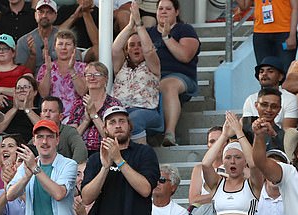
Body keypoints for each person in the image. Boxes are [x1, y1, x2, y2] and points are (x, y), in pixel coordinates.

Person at [146, 0, 200, 147]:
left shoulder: (185, 29)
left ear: (176, 12)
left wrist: (166, 37)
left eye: (168, 9)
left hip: (181, 77)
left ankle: (169, 134)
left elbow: (185, 55)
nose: (163, 11)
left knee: (167, 85)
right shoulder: (149, 32)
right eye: (160, 8)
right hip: (152, 77)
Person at [112, 2, 162, 144]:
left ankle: (141, 159)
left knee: (132, 119)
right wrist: (130, 26)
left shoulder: (152, 65)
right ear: (127, 50)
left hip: (147, 111)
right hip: (121, 110)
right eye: (132, 45)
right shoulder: (121, 66)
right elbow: (115, 49)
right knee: (116, 119)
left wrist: (139, 24)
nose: (136, 48)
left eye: (139, 44)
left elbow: (149, 50)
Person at [68, 62, 122, 155]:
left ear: (106, 79)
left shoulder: (113, 104)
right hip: (80, 152)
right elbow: (70, 139)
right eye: (89, 75)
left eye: (97, 74)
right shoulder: (78, 104)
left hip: (105, 152)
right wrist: (86, 121)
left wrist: (94, 115)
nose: (92, 78)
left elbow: (111, 137)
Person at [36, 29, 87, 123]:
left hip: (76, 117)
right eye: (60, 44)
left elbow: (82, 91)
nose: (63, 47)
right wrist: (48, 71)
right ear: (55, 47)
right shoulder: (45, 67)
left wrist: (72, 70)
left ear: (74, 48)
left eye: (68, 44)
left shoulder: (83, 67)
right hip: (52, 117)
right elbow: (43, 94)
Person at [236, 0, 298, 74]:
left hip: (284, 34)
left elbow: (295, 8)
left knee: (286, 72)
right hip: (261, 35)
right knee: (265, 72)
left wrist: (292, 35)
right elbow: (244, 6)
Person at [242, 56, 298, 131]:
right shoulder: (250, 99)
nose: (264, 74)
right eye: (261, 72)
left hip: (279, 140)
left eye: (270, 71)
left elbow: (288, 132)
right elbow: (247, 129)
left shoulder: (290, 99)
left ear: (280, 77)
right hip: (254, 138)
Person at [34, 96, 87, 164]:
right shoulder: (37, 133)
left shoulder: (69, 132)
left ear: (61, 116)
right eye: (45, 111)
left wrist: (72, 169)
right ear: (41, 115)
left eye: (51, 111)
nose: (47, 115)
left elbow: (81, 151)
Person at [14, 0, 59, 75]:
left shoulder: (64, 39)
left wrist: (50, 60)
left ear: (55, 16)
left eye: (49, 12)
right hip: (32, 83)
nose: (44, 15)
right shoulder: (23, 41)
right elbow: (23, 74)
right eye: (41, 12)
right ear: (35, 15)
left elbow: (73, 65)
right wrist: (32, 56)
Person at [188, 126, 222, 207]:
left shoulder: (236, 167)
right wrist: (224, 194)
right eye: (212, 141)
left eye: (220, 140)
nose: (216, 145)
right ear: (208, 145)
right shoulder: (199, 169)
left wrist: (208, 197)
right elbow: (193, 200)